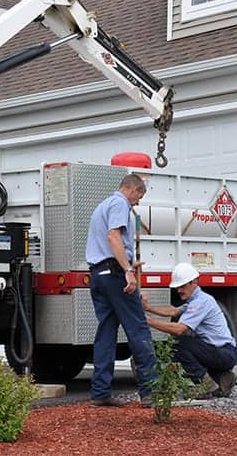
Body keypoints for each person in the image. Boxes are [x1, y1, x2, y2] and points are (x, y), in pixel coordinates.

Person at [85, 173, 157, 407]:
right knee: (138, 329)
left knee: (106, 333)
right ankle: (150, 392)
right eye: (140, 196)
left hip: (99, 274)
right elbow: (113, 235)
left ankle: (100, 392)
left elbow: (105, 243)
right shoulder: (119, 204)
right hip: (115, 275)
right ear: (133, 189)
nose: (138, 202)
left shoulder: (102, 206)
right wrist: (127, 269)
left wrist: (125, 262)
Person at [142, 262, 237, 398]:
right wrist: (148, 308)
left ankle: (204, 384)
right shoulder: (197, 300)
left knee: (178, 343)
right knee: (191, 345)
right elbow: (174, 311)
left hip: (223, 353)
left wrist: (148, 321)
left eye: (182, 286)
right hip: (223, 352)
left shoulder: (201, 302)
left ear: (194, 282)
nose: (179, 290)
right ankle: (223, 378)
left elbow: (179, 329)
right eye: (177, 287)